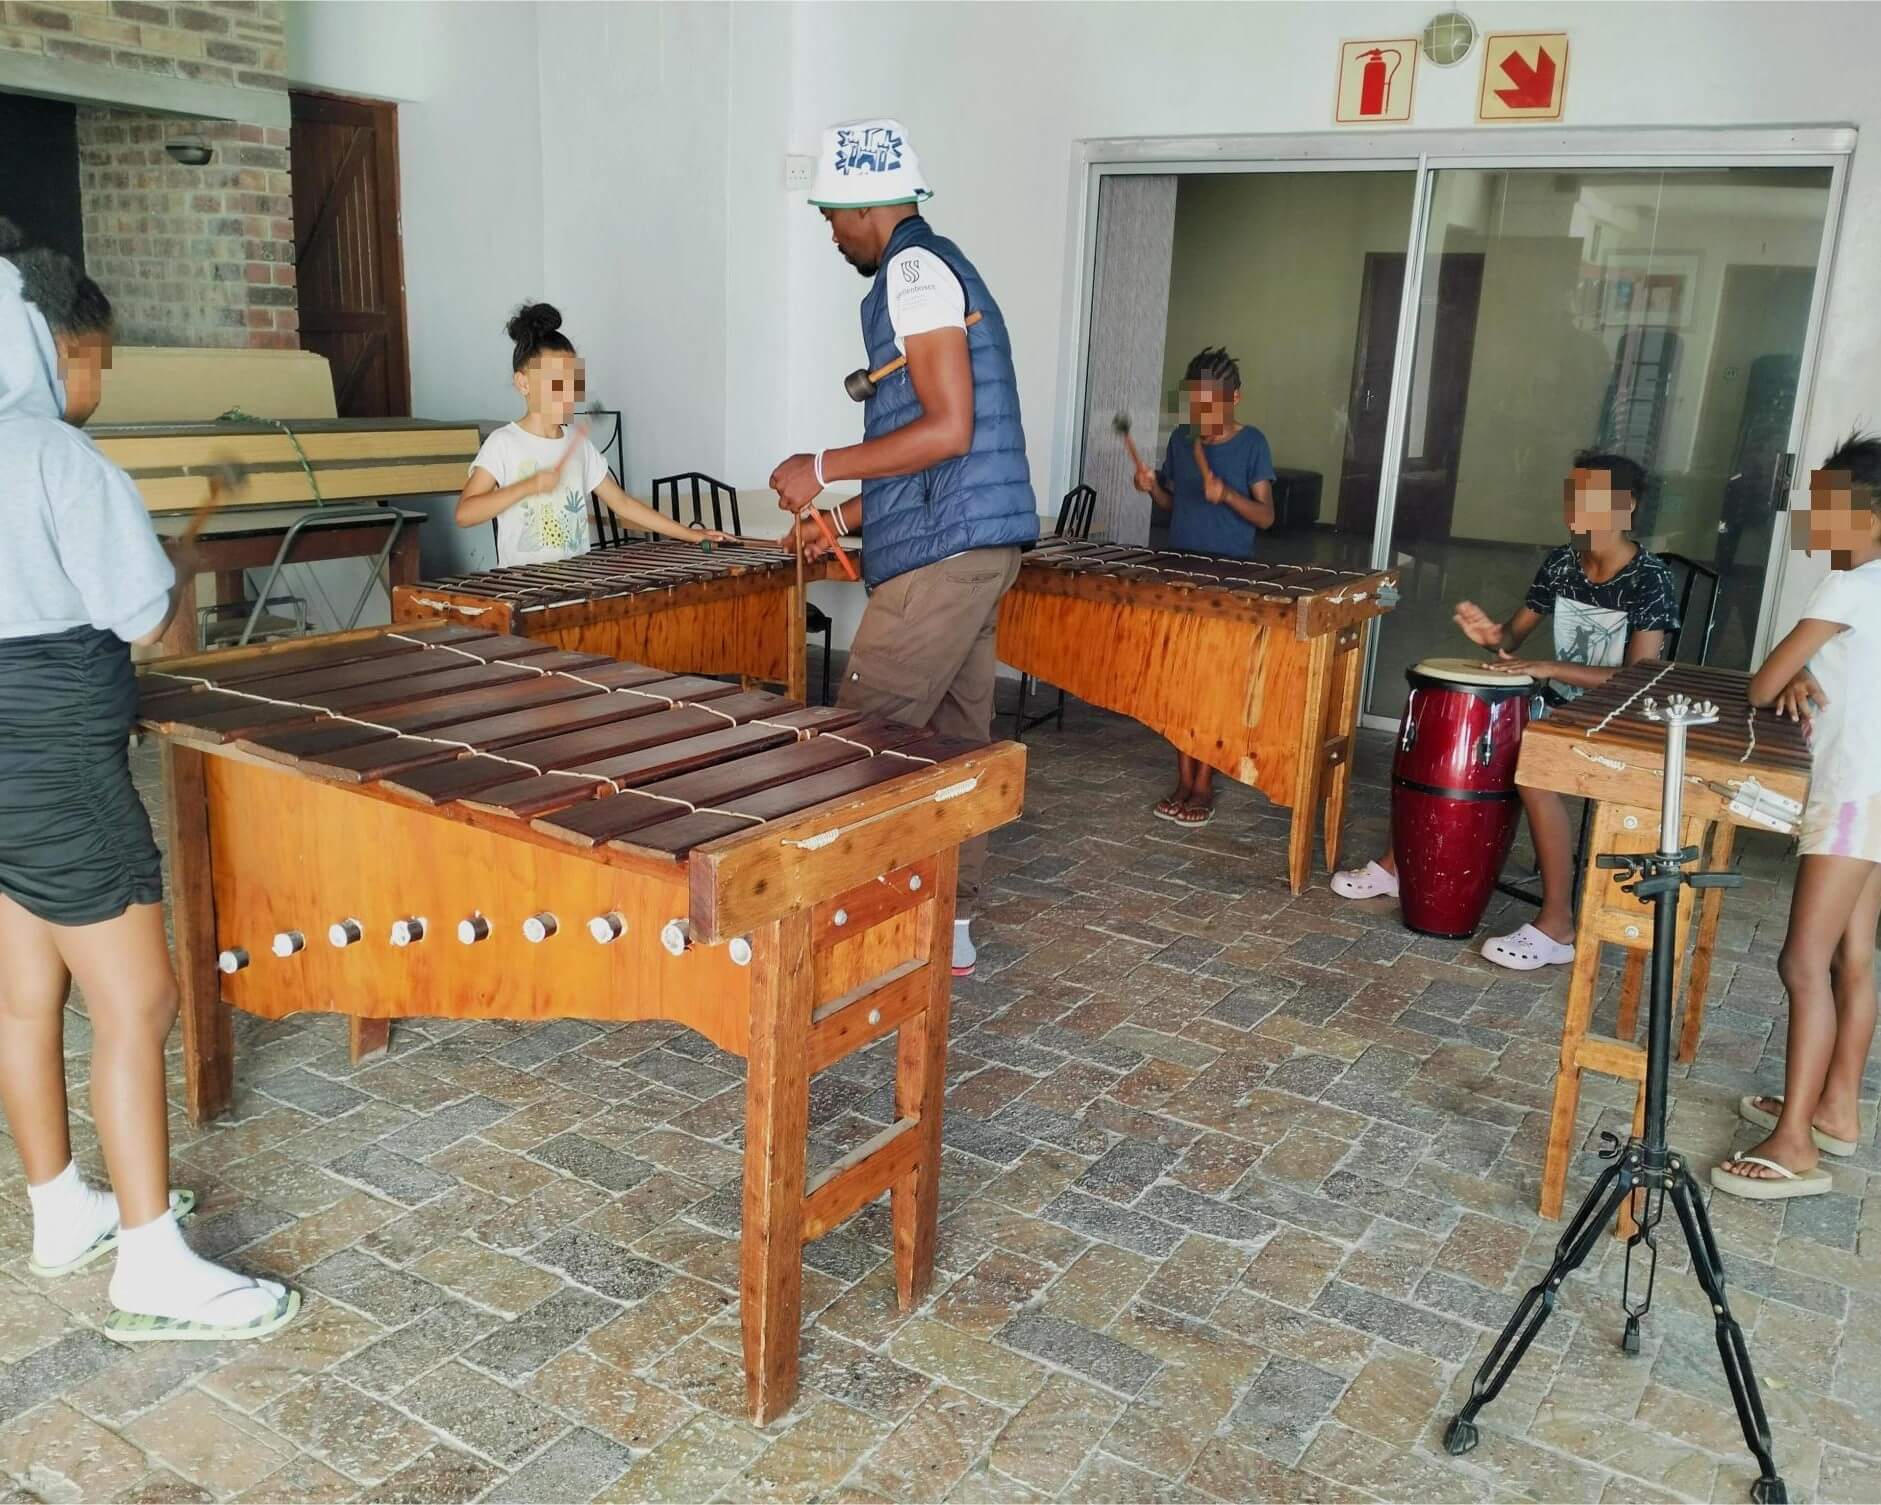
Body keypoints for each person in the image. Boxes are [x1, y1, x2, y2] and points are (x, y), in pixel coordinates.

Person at [0, 237, 299, 1340]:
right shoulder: (59, 461)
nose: (98, 384)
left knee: (27, 994)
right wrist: (167, 582)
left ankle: (56, 1209)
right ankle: (150, 1261)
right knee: (139, 1000)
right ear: (54, 342)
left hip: (1, 778)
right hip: (58, 765)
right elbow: (144, 624)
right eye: (98, 362)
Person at [770, 118, 1038, 978]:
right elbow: (927, 453)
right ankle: (946, 931)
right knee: (954, 747)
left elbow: (948, 428)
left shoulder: (912, 272)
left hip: (943, 558)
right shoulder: (932, 267)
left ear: (865, 206)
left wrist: (818, 467)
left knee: (860, 743)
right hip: (970, 545)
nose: (831, 232)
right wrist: (843, 521)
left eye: (832, 217)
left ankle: (846, 944)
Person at [1331, 452, 1680, 971]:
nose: (1576, 510)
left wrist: (1549, 668)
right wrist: (1491, 635)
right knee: (1465, 734)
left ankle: (1558, 924)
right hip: (1553, 702)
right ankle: (1402, 864)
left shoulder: (1648, 578)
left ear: (1626, 506)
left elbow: (1638, 678)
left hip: (1615, 717)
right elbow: (1513, 638)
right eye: (1573, 496)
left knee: (1532, 772)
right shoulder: (1563, 563)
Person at [1713, 434, 1881, 1200]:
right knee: (1852, 958)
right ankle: (1835, 1110)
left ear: (1870, 517)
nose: (1811, 516)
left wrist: (1792, 672)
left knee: (1800, 962)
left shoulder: (1845, 588)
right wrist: (1809, 670)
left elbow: (1759, 684)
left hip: (1850, 796)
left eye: (1827, 505)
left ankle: (1794, 1145)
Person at [458, 302, 731, 564]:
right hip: (524, 593)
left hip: (575, 588)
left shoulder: (579, 446)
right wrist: (528, 486)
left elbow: (622, 504)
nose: (567, 393)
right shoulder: (504, 443)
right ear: (523, 383)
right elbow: (465, 514)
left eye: (571, 382)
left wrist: (692, 535)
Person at [1130, 346, 1276, 827]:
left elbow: (1267, 516)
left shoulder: (1252, 443)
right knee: (1177, 684)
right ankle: (1182, 778)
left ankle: (1203, 784)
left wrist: (1227, 495)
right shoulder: (1181, 440)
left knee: (1212, 686)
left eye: (1213, 401)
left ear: (1235, 397)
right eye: (1196, 401)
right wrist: (1151, 487)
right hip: (1179, 574)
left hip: (1229, 581)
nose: (1203, 411)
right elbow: (1174, 505)